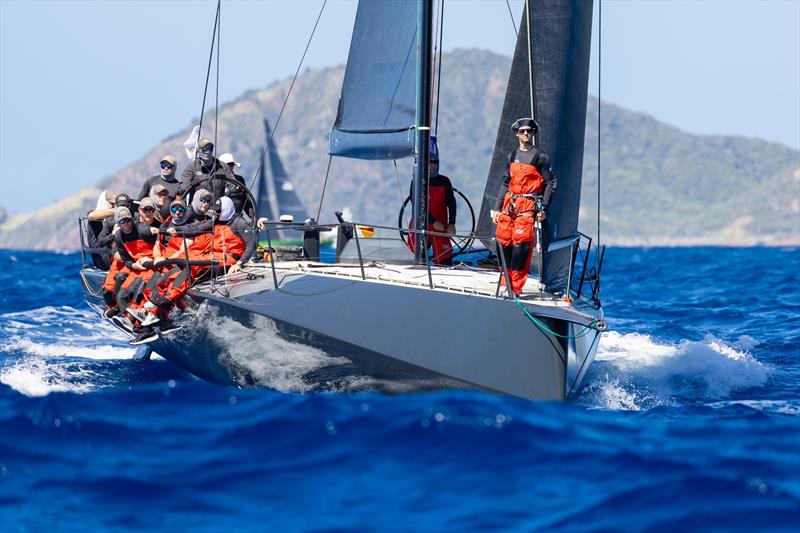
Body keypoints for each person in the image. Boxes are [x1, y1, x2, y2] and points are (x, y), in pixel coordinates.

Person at [491, 117, 556, 296]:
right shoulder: (511, 156)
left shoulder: (541, 157)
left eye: (529, 131)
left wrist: (543, 208)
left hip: (528, 205)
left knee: (521, 246)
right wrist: (497, 208)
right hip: (509, 204)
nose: (526, 133)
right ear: (516, 134)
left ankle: (515, 288)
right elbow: (505, 182)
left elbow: (550, 183)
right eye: (522, 131)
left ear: (533, 133)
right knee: (503, 241)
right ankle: (505, 282)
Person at [408, 136, 457, 265]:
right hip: (421, 225)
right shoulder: (416, 181)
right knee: (416, 260)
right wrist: (432, 221)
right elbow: (416, 205)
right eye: (430, 162)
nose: (433, 165)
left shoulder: (444, 181)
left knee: (445, 262)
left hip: (440, 227)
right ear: (424, 163)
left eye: (435, 162)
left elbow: (452, 203)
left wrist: (452, 223)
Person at [177, 137, 231, 203]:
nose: (208, 152)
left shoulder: (222, 165)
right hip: (199, 207)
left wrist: (236, 189)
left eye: (210, 149)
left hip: (218, 206)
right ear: (198, 151)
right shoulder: (192, 167)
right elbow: (182, 188)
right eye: (205, 149)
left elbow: (233, 184)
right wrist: (191, 184)